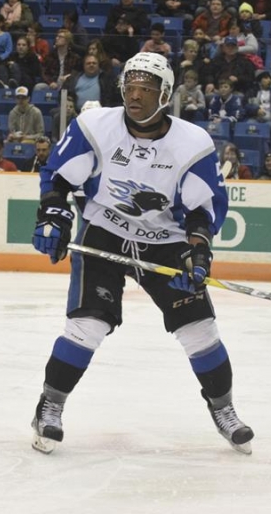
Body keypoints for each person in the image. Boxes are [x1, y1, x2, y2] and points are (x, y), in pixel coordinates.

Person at [30, 52, 253, 455]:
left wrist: (197, 253)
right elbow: (59, 177)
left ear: (165, 95)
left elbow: (203, 210)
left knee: (199, 329)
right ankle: (50, 406)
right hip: (104, 232)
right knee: (88, 326)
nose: (135, 97)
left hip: (166, 241)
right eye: (130, 88)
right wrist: (54, 214)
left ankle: (224, 410)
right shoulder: (95, 126)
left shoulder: (192, 143)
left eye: (146, 90)